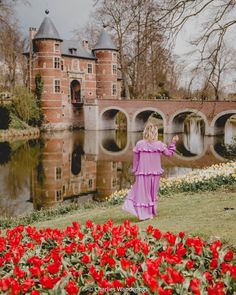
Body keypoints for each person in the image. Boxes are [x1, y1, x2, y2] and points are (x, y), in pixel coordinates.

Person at [122, 121, 179, 221]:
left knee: (142, 194)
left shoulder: (140, 144)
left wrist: (135, 170)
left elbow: (136, 160)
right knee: (151, 193)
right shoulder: (159, 145)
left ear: (145, 132)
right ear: (155, 133)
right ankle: (148, 213)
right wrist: (173, 142)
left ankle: (144, 214)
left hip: (142, 173)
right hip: (154, 174)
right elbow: (169, 153)